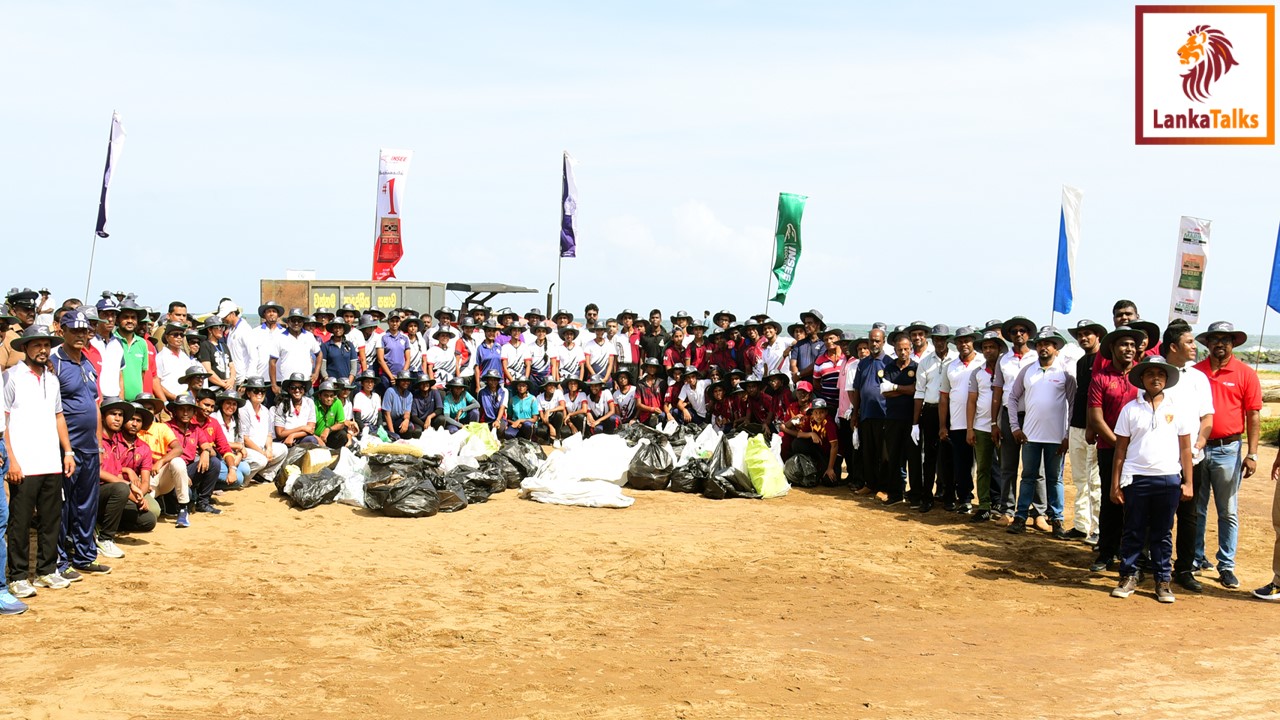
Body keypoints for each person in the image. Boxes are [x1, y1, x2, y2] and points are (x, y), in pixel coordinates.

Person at [1109, 357, 1193, 603]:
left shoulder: (1177, 409)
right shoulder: (1130, 409)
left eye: (1161, 374)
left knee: (1162, 532)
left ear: (1166, 380)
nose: (1155, 378)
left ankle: (1163, 580)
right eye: (1150, 374)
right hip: (1136, 478)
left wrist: (1188, 482)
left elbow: (1186, 449)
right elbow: (1120, 451)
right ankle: (1128, 575)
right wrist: (1115, 484)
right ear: (1142, 379)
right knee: (1133, 530)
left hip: (1168, 478)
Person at [5, 326, 77, 597]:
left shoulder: (53, 379)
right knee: (20, 522)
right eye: (36, 345)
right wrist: (12, 460)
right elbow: (5, 421)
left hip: (51, 461)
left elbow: (59, 416)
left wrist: (67, 452)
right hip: (24, 463)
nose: (43, 350)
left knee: (51, 520)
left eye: (46, 345)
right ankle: (18, 576)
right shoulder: (11, 377)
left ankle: (46, 570)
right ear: (25, 348)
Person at [1191, 321, 1261, 590]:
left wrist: (1253, 453)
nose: (1220, 343)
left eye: (1226, 339)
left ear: (1233, 343)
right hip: (1198, 448)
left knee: (1227, 510)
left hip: (1228, 449)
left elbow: (1253, 414)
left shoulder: (1245, 374)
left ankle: (1226, 565)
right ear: (1206, 343)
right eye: (1215, 339)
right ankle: (1196, 558)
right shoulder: (1196, 373)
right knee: (1195, 508)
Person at [1151, 321, 1214, 593]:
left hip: (1191, 459)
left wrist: (1200, 442)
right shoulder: (1156, 374)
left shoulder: (1198, 378)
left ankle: (1185, 569)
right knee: (1153, 515)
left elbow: (1207, 416)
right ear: (1173, 346)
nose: (1194, 347)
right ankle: (1149, 566)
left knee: (1189, 515)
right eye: (1189, 342)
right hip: (1156, 459)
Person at [50, 310, 112, 577]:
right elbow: (53, 410)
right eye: (73, 330)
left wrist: (99, 443)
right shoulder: (55, 363)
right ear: (62, 331)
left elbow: (95, 406)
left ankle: (85, 557)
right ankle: (60, 562)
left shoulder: (87, 363)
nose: (80, 335)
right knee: (62, 507)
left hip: (89, 447)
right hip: (66, 448)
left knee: (87, 504)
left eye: (84, 331)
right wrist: (65, 449)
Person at [1005, 328, 1075, 539]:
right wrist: (1015, 427)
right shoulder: (1027, 371)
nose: (1044, 347)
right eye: (1040, 344)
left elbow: (1073, 404)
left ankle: (1057, 520)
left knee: (1055, 480)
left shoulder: (1065, 373)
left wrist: (1067, 435)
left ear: (1056, 347)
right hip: (1030, 437)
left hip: (1056, 438)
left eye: (1049, 344)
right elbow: (1012, 398)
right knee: (1027, 477)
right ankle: (1020, 518)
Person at [1087, 326, 1146, 572]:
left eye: (1132, 345)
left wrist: (1132, 447)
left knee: (1137, 503)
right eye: (1123, 345)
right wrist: (1119, 444)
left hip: (1140, 452)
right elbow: (1097, 418)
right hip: (1110, 449)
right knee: (1111, 500)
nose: (1129, 349)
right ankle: (1106, 552)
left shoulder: (1144, 376)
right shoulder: (1101, 378)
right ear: (1112, 348)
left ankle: (1134, 555)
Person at [96, 398, 157, 560]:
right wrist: (129, 483)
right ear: (101, 416)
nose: (117, 418)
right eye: (113, 414)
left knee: (148, 520)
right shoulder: (97, 440)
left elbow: (117, 474)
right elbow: (96, 471)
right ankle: (105, 538)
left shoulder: (115, 442)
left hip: (113, 494)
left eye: (121, 415)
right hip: (92, 493)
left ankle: (101, 525)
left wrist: (137, 497)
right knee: (121, 489)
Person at [1065, 319, 1106, 543]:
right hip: (1077, 425)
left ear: (1098, 336)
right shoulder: (1081, 362)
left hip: (1094, 428)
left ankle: (1099, 529)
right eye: (1080, 334)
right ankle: (1081, 526)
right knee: (1080, 480)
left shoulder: (1106, 361)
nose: (1083, 338)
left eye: (1088, 334)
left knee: (1095, 482)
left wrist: (1096, 427)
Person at [873, 334, 918, 506]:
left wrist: (896, 387)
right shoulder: (889, 367)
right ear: (895, 350)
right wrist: (904, 390)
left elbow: (916, 390)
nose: (903, 352)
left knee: (913, 459)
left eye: (906, 349)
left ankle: (914, 495)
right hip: (892, 419)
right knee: (894, 458)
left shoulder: (916, 367)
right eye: (900, 349)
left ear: (911, 349)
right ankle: (896, 494)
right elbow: (885, 391)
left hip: (912, 420)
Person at [964, 329, 1003, 521]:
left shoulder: (1007, 371)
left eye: (992, 347)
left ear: (999, 349)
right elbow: (971, 401)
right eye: (985, 347)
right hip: (980, 426)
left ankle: (1004, 505)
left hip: (1003, 427)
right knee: (983, 468)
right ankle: (985, 505)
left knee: (1006, 468)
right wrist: (970, 428)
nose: (988, 351)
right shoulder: (977, 373)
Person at [135, 393, 190, 527]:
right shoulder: (133, 428)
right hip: (143, 480)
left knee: (178, 462)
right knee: (152, 512)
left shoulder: (161, 427)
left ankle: (183, 509)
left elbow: (178, 449)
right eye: (144, 408)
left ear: (154, 412)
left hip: (161, 475)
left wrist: (161, 461)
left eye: (150, 409)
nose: (147, 412)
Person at [912, 324, 951, 513]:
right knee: (929, 455)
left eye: (943, 339)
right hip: (930, 410)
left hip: (952, 412)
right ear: (932, 341)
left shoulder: (955, 360)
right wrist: (915, 422)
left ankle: (949, 495)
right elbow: (919, 392)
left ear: (947, 340)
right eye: (936, 339)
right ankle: (927, 496)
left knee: (948, 456)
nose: (940, 342)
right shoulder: (926, 362)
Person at [237, 377, 286, 484]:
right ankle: (243, 481)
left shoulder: (265, 410)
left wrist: (268, 449)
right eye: (256, 391)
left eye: (262, 391)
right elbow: (245, 439)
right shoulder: (243, 409)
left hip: (262, 447)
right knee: (261, 460)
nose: (260, 393)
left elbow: (269, 434)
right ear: (248, 393)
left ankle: (263, 475)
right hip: (247, 448)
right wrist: (263, 453)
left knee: (283, 449)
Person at [270, 309, 320, 400]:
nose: (296, 323)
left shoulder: (309, 336)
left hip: (306, 384)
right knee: (286, 412)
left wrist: (316, 373)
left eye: (299, 320)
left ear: (303, 322)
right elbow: (272, 362)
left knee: (308, 412)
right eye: (293, 320)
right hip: (287, 385)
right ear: (288, 321)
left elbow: (319, 354)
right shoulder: (279, 337)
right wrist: (273, 385)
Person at [212, 389, 251, 488]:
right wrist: (238, 446)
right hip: (217, 457)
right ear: (221, 404)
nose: (231, 407)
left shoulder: (237, 420)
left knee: (246, 469)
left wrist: (238, 456)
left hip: (231, 456)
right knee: (239, 479)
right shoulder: (214, 418)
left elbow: (240, 443)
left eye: (234, 404)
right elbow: (216, 443)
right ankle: (211, 486)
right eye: (228, 403)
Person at [197, 316, 235, 391]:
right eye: (218, 327)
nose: (221, 330)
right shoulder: (205, 345)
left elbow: (232, 366)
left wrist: (231, 380)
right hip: (214, 388)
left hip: (228, 387)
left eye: (223, 327)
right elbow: (208, 370)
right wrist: (223, 384)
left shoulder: (224, 345)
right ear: (209, 329)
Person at [380, 370, 419, 440]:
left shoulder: (409, 394)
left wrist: (406, 420)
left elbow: (407, 412)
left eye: (407, 381)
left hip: (401, 420)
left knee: (415, 430)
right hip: (390, 421)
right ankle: (392, 434)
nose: (406, 383)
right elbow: (387, 414)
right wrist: (393, 433)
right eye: (403, 380)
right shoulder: (390, 391)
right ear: (398, 381)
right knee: (396, 436)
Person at [320, 316, 359, 385]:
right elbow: (322, 367)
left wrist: (349, 382)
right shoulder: (326, 346)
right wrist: (328, 380)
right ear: (332, 329)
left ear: (344, 329)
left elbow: (354, 367)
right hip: (331, 384)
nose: (338, 330)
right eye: (335, 327)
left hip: (347, 384)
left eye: (340, 327)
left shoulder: (350, 345)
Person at [313, 379, 349, 449]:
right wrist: (318, 439)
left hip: (329, 436)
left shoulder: (337, 402)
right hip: (315, 437)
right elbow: (309, 429)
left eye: (331, 396)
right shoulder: (314, 405)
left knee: (342, 434)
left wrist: (328, 429)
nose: (329, 399)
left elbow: (341, 423)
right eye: (326, 396)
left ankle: (335, 453)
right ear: (320, 396)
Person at [536, 377, 567, 443]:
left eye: (553, 385)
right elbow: (542, 416)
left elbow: (562, 406)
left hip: (556, 419)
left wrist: (549, 410)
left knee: (559, 413)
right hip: (546, 421)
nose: (552, 387)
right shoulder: (539, 397)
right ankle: (548, 438)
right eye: (549, 385)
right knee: (540, 431)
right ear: (545, 388)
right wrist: (550, 426)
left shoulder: (558, 392)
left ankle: (557, 437)